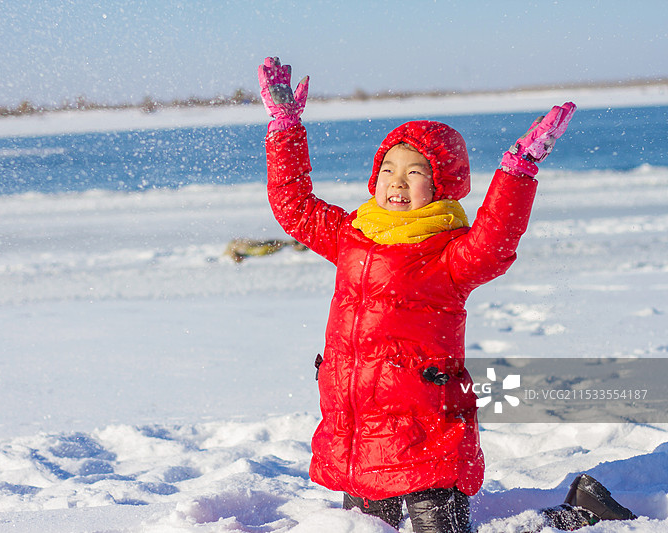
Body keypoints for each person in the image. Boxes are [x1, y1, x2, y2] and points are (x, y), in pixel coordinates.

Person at [258, 57, 636, 532]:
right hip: (357, 435)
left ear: (442, 185)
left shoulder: (449, 255)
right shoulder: (352, 234)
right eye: (389, 167)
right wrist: (285, 125)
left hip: (425, 436)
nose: (398, 180)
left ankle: (577, 512)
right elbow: (293, 205)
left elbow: (494, 242)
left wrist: (518, 171)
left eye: (415, 172)